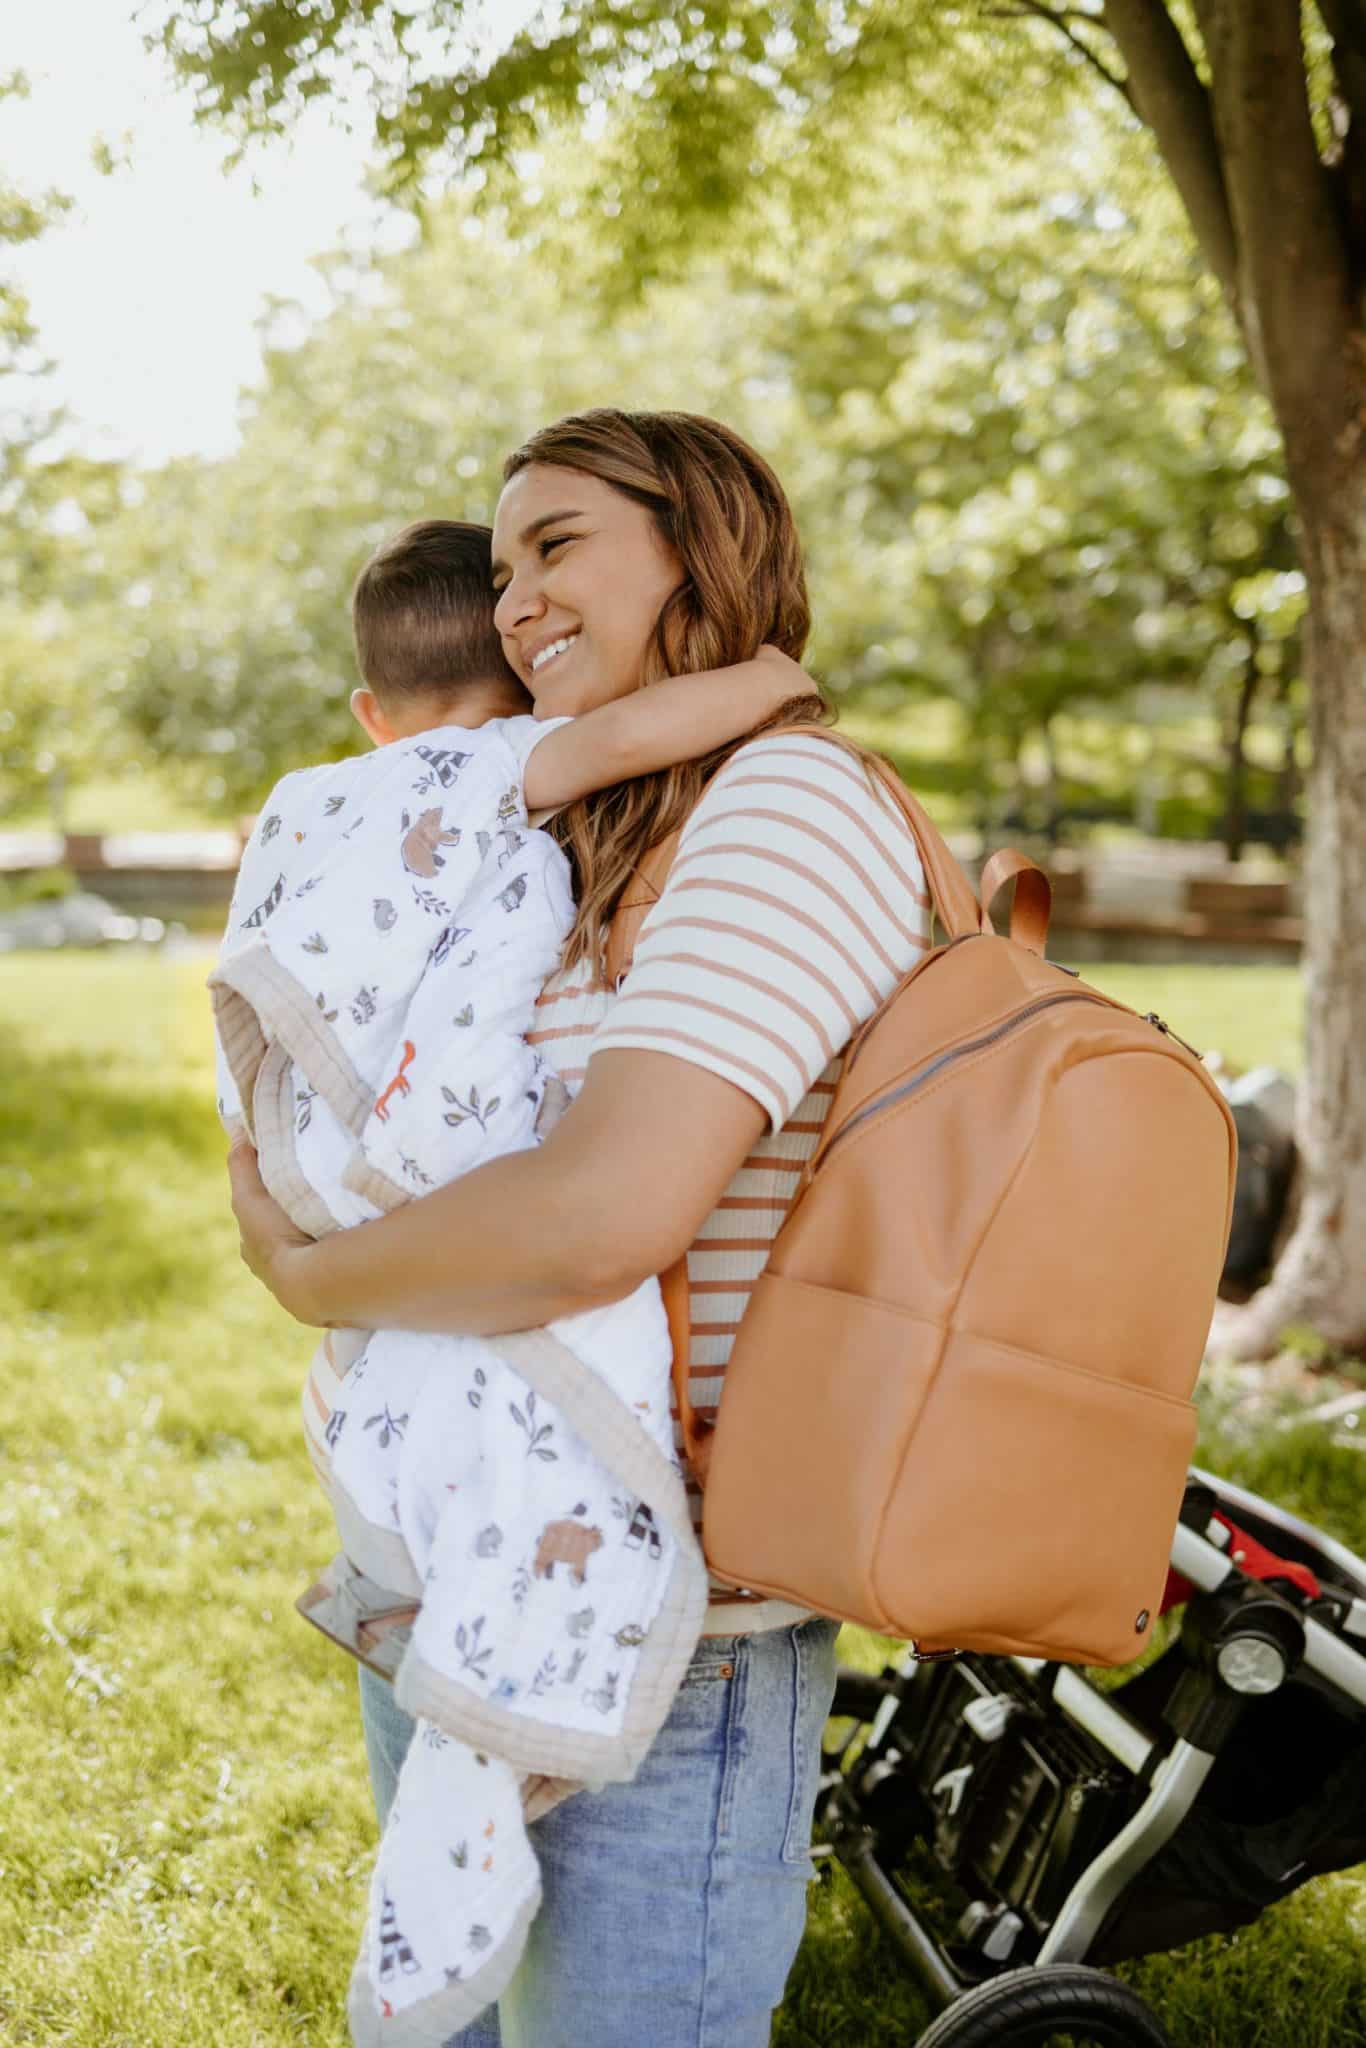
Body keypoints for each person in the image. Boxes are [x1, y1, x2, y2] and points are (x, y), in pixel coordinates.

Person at [227, 411, 932, 2048]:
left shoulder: (786, 806)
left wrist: (304, 1271)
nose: (516, 600)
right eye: (499, 566)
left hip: (666, 1609)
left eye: (558, 547)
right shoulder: (549, 842)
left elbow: (595, 1216)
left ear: (704, 549)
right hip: (453, 1558)